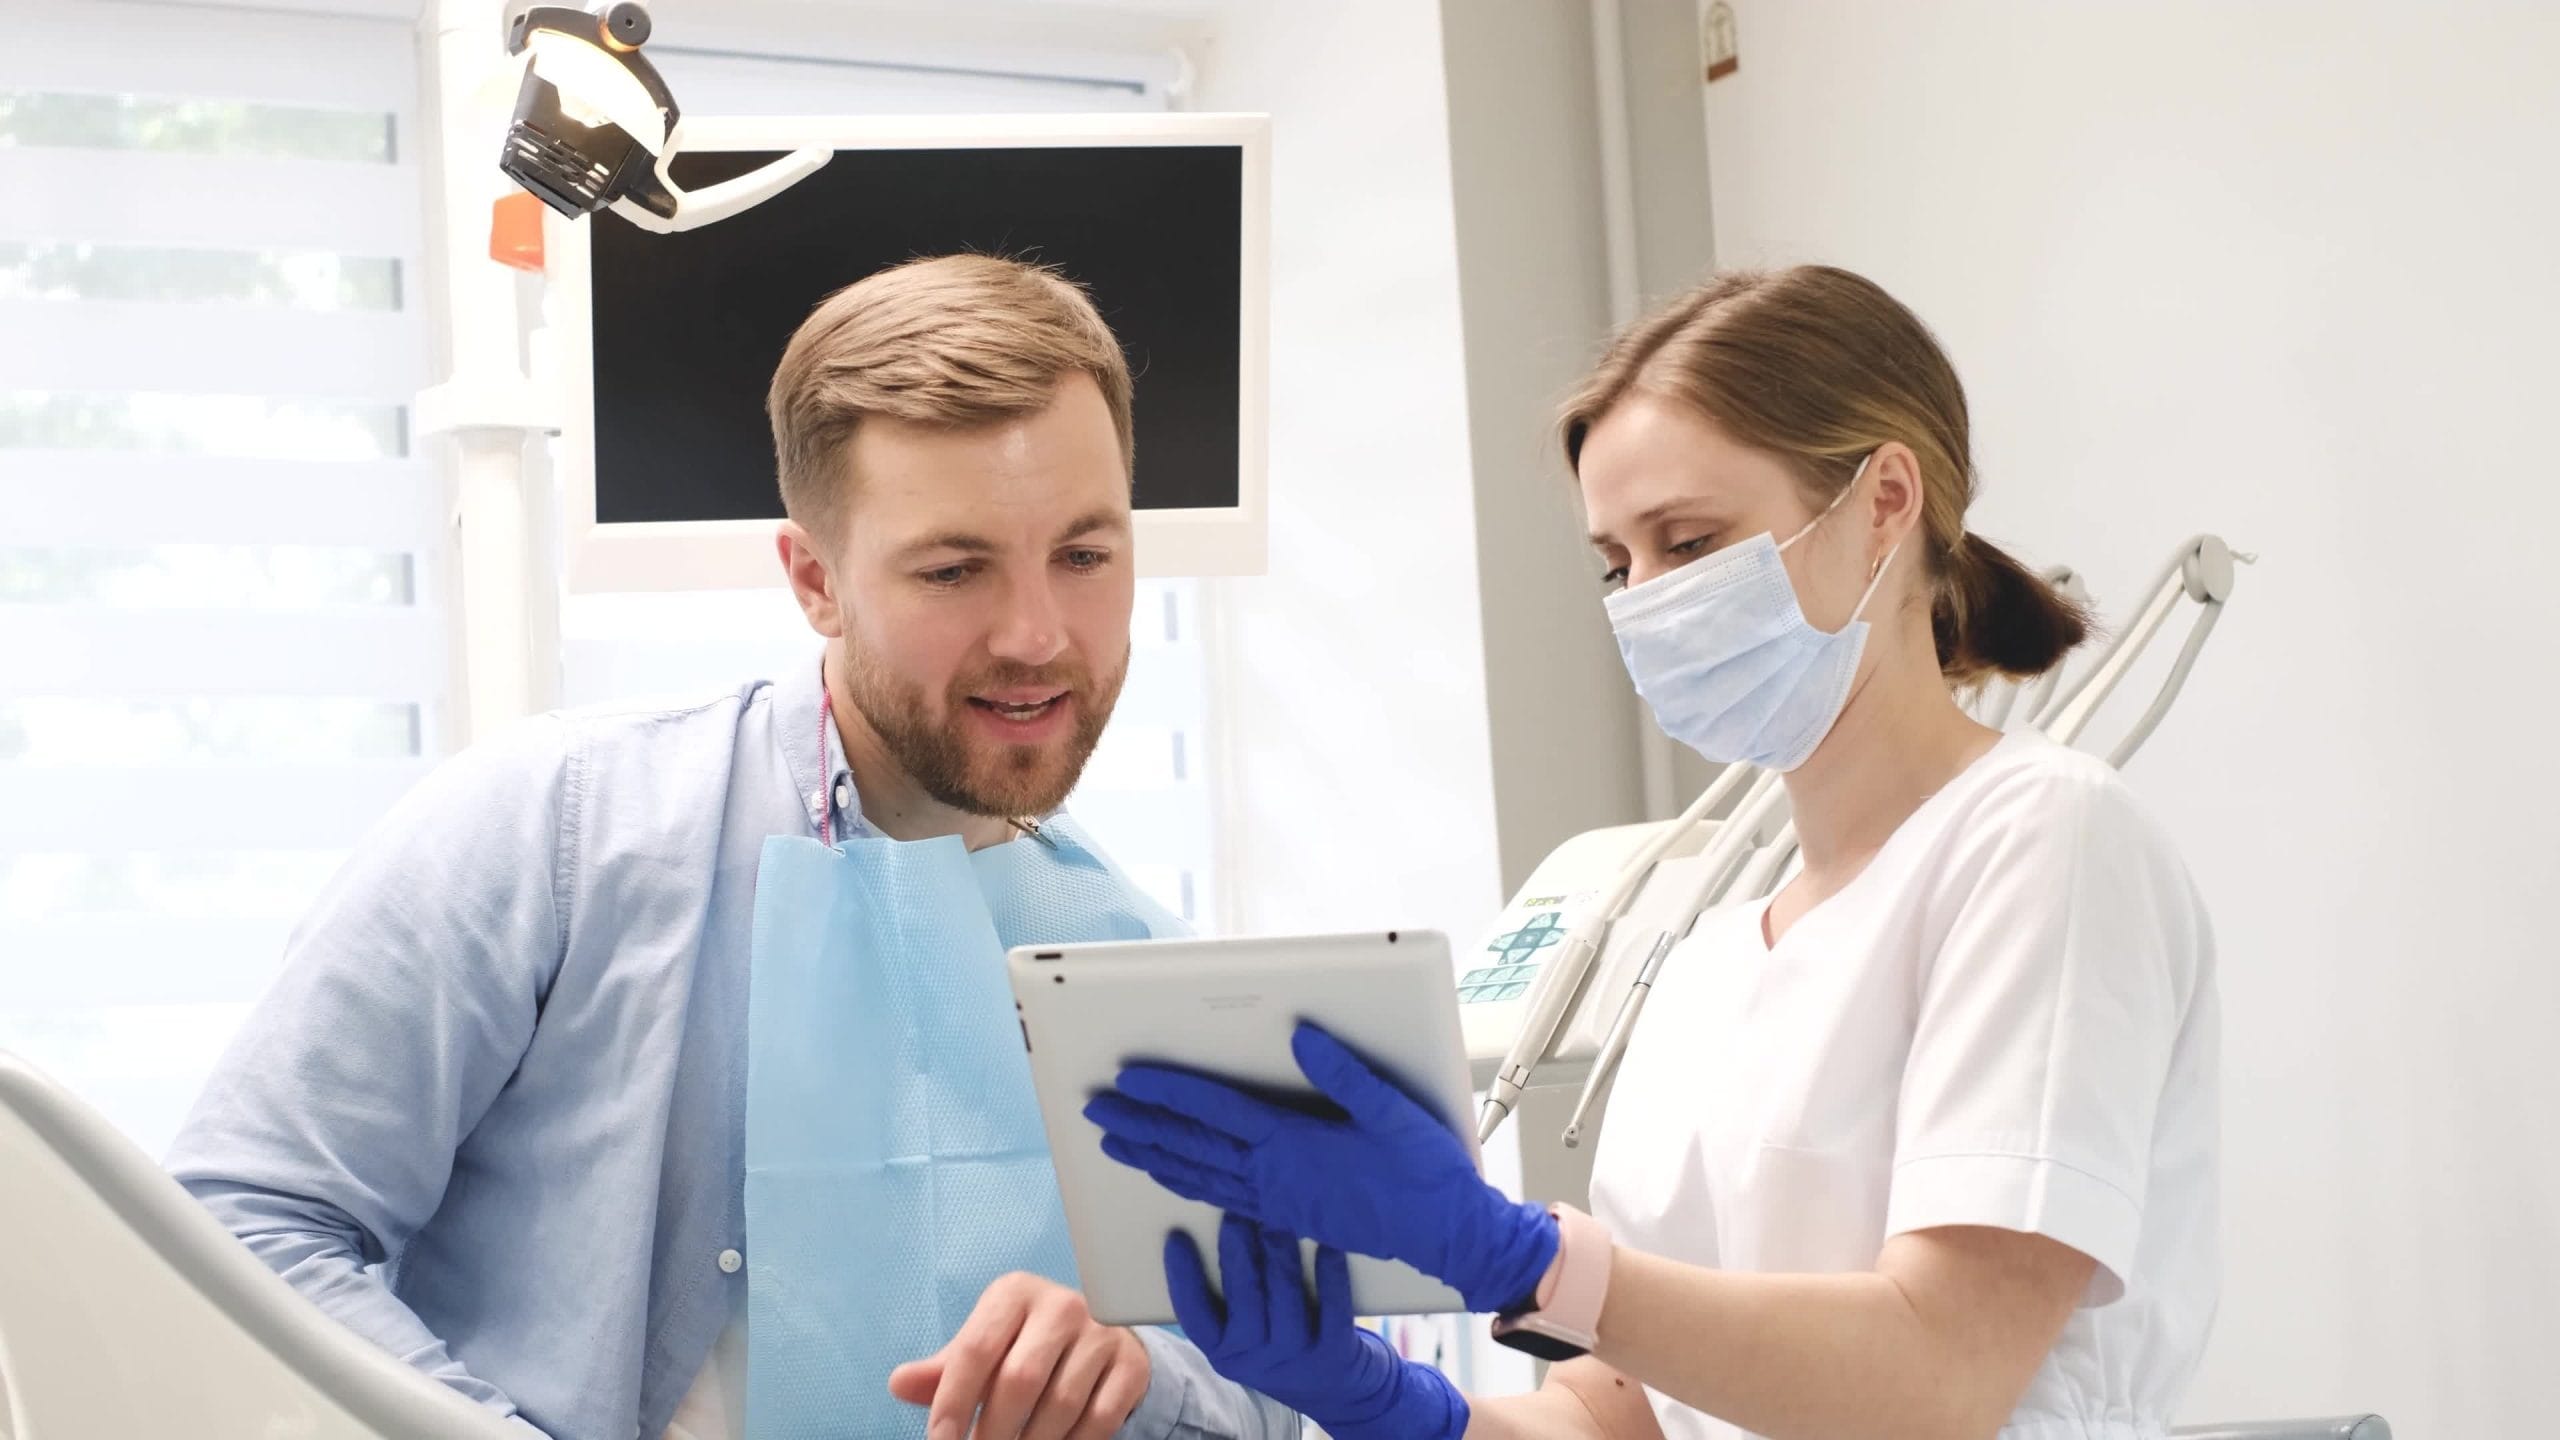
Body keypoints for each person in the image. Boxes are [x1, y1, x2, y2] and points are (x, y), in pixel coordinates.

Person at [166, 255, 1296, 1440]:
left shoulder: (1128, 957)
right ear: (816, 579)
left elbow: (1284, 1395)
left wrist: (1133, 1373)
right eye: (954, 570)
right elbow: (242, 1220)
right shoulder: (557, 829)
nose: (1035, 634)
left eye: (1084, 554)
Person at [1085, 265, 2220, 1440]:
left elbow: (1938, 1382)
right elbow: (1620, 1410)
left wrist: (1514, 1256)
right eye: (1617, 563)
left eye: (1690, 540)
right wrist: (1384, 1405)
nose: (1648, 601)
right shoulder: (1712, 955)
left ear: (1886, 501)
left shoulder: (2042, 838)